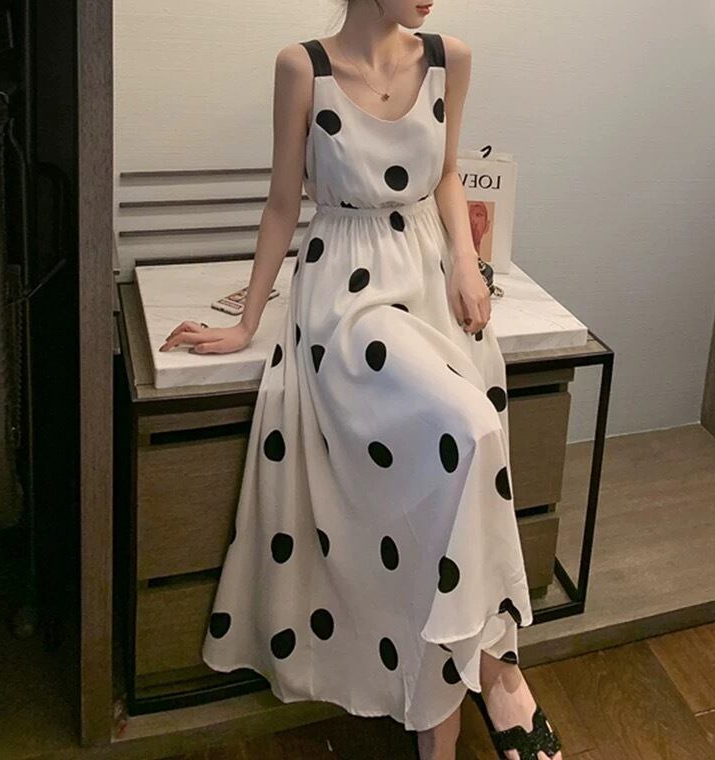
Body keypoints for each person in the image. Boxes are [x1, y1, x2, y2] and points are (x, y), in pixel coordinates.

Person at [160, 2, 563, 759]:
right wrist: (249, 322)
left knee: (451, 471)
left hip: (430, 277)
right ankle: (487, 674)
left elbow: (447, 173)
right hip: (348, 292)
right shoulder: (302, 68)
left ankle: (465, 686)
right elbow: (284, 202)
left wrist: (466, 262)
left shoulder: (448, 57)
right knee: (471, 431)